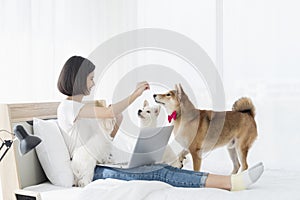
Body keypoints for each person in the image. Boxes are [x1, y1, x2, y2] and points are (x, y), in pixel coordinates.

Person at [56, 55, 264, 191]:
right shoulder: (68, 108)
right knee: (158, 173)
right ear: (78, 78)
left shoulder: (85, 109)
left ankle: (226, 180)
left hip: (105, 161)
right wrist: (135, 94)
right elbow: (110, 110)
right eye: (91, 78)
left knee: (160, 166)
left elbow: (106, 138)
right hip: (92, 170)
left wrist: (116, 123)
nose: (93, 83)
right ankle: (229, 183)